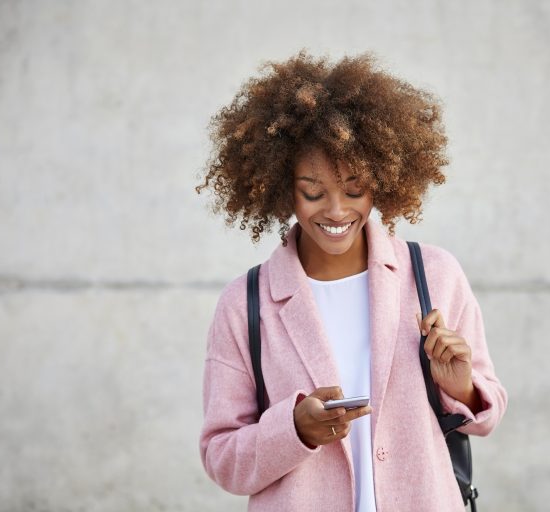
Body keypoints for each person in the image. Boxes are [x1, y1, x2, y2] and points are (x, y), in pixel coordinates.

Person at [197, 51, 507, 512]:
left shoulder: (434, 276)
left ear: (383, 180)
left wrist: (460, 386)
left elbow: (486, 415)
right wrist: (294, 431)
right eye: (313, 192)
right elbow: (220, 456)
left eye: (355, 189)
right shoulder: (245, 304)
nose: (338, 211)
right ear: (284, 188)